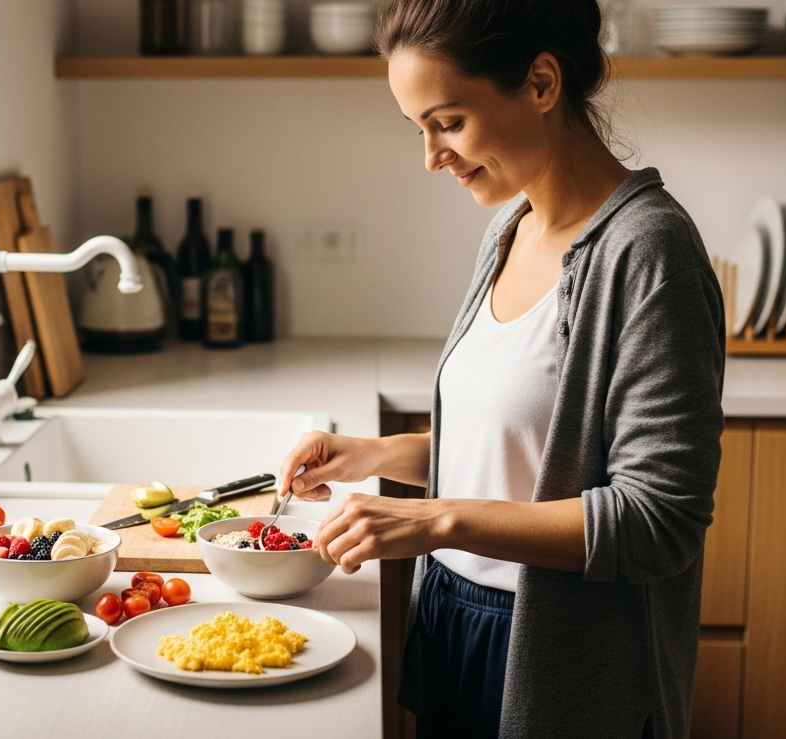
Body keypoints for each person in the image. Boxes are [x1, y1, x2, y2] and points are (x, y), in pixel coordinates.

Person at [276, 1, 726, 737]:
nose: (430, 156)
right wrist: (379, 456)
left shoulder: (649, 254)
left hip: (561, 652)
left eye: (447, 122)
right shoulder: (508, 228)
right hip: (458, 621)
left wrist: (433, 518)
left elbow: (657, 520)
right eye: (417, 128)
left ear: (542, 83)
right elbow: (524, 448)